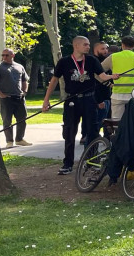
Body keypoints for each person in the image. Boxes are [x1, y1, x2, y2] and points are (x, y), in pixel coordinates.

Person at [42, 36, 119, 175]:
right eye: (85, 44)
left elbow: (102, 76)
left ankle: (92, 161)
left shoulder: (92, 60)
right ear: (76, 46)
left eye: (88, 44)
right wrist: (46, 100)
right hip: (72, 100)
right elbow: (54, 80)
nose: (88, 47)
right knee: (69, 132)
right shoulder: (64, 62)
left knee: (93, 131)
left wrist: (112, 77)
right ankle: (67, 163)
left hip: (89, 100)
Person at [0, 48, 30, 148]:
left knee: (22, 119)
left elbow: (24, 80)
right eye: (3, 55)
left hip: (19, 97)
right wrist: (0, 94)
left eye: (7, 55)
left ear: (13, 55)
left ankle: (19, 139)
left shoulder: (19, 66)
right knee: (7, 120)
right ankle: (9, 141)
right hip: (6, 98)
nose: (4, 57)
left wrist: (24, 91)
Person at [102, 36, 134, 121]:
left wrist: (108, 84)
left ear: (122, 45)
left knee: (116, 121)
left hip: (117, 93)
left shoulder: (113, 57)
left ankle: (117, 130)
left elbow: (98, 72)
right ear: (133, 46)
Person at [89, 41, 112, 139]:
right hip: (99, 97)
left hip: (108, 96)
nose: (105, 51)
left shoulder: (107, 60)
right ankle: (92, 142)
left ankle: (106, 140)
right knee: (98, 123)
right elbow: (95, 81)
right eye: (102, 49)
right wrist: (99, 100)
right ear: (95, 50)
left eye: (106, 48)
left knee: (107, 122)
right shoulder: (93, 61)